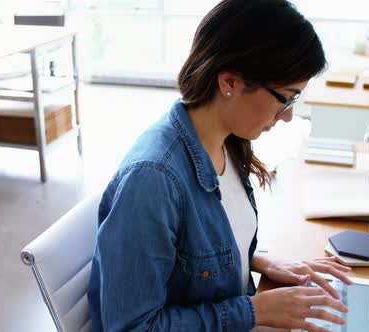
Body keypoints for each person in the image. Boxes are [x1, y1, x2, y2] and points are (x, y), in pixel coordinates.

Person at [88, 1, 352, 331]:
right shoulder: (153, 181)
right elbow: (131, 326)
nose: (288, 116)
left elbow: (192, 253)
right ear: (229, 82)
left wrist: (260, 261)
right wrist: (254, 311)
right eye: (285, 97)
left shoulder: (227, 140)